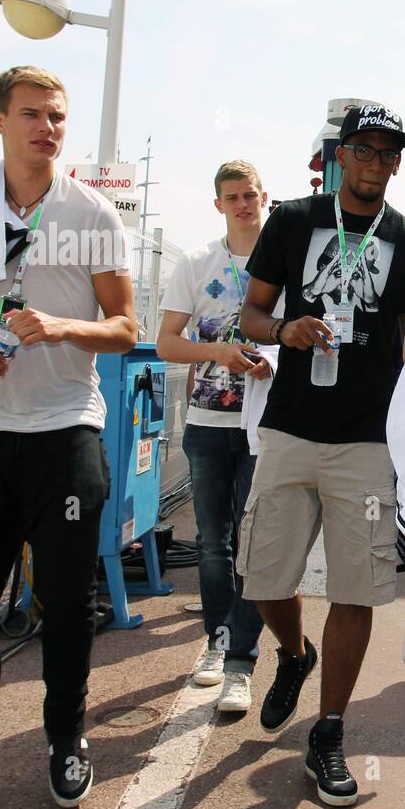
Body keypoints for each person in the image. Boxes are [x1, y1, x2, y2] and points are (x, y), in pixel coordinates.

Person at [0, 66, 136, 809]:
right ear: (1, 121)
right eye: (33, 114)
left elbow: (126, 327)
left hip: (63, 431)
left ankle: (66, 741)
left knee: (68, 605)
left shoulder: (93, 214)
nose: (48, 127)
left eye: (59, 117)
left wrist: (64, 327)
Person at [237, 104, 405, 808]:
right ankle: (293, 653)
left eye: (388, 154)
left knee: (356, 589)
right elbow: (249, 314)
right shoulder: (291, 220)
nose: (375, 164)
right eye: (364, 151)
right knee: (261, 578)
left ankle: (330, 728)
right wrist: (283, 329)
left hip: (368, 441)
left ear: (398, 164)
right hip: (289, 429)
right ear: (341, 155)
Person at [157, 160, 271, 714]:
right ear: (218, 204)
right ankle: (217, 642)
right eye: (232, 197)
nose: (243, 204)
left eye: (249, 194)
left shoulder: (285, 258)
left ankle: (241, 662)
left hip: (262, 427)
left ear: (264, 196)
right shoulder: (197, 262)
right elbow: (165, 343)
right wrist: (219, 352)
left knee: (253, 541)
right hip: (206, 423)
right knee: (211, 542)